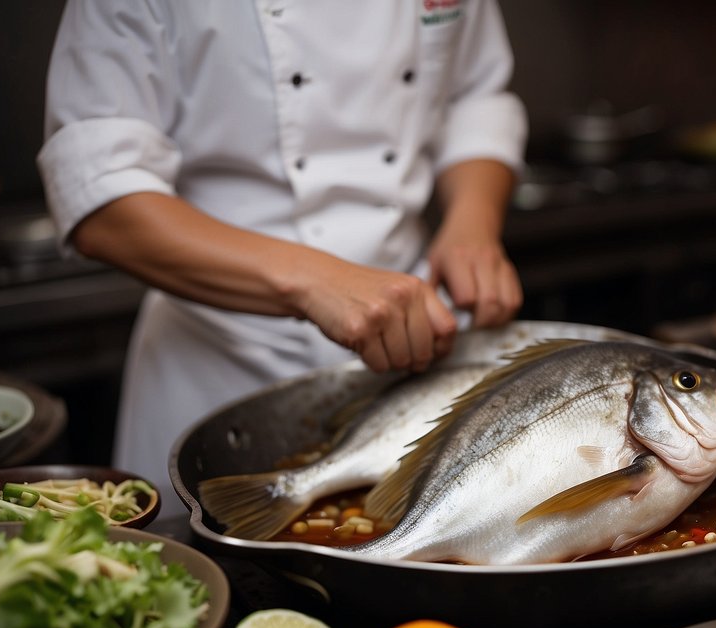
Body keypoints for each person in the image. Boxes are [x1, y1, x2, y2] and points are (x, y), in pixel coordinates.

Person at [37, 1, 528, 512]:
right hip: (220, 365)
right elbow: (98, 193)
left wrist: (473, 222)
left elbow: (476, 97)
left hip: (412, 344)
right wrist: (314, 278)